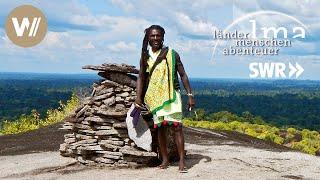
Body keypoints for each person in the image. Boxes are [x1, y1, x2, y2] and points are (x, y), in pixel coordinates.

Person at [135, 25, 195, 172]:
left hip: (171, 95)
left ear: (163, 37)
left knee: (177, 127)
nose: (155, 38)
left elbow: (183, 75)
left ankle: (182, 161)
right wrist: (138, 98)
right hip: (155, 97)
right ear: (148, 38)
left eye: (158, 36)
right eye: (152, 36)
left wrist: (190, 95)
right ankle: (165, 160)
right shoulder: (145, 56)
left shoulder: (172, 54)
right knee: (160, 129)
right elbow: (141, 77)